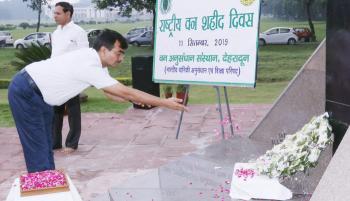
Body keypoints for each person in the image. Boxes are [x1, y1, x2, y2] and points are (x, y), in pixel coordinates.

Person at [8, 29, 187, 173]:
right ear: (103, 50)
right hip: (26, 92)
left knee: (45, 146)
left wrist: (139, 101)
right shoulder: (89, 64)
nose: (121, 58)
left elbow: (112, 95)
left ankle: (47, 188)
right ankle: (43, 192)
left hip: (40, 96)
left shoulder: (98, 64)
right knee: (38, 151)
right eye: (119, 53)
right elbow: (125, 92)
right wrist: (165, 102)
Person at [51, 2, 89, 153]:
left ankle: (72, 143)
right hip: (56, 76)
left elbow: (84, 55)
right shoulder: (55, 33)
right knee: (55, 110)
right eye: (54, 13)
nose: (55, 16)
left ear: (68, 14)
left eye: (58, 13)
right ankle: (55, 142)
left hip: (72, 76)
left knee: (73, 111)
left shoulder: (78, 32)